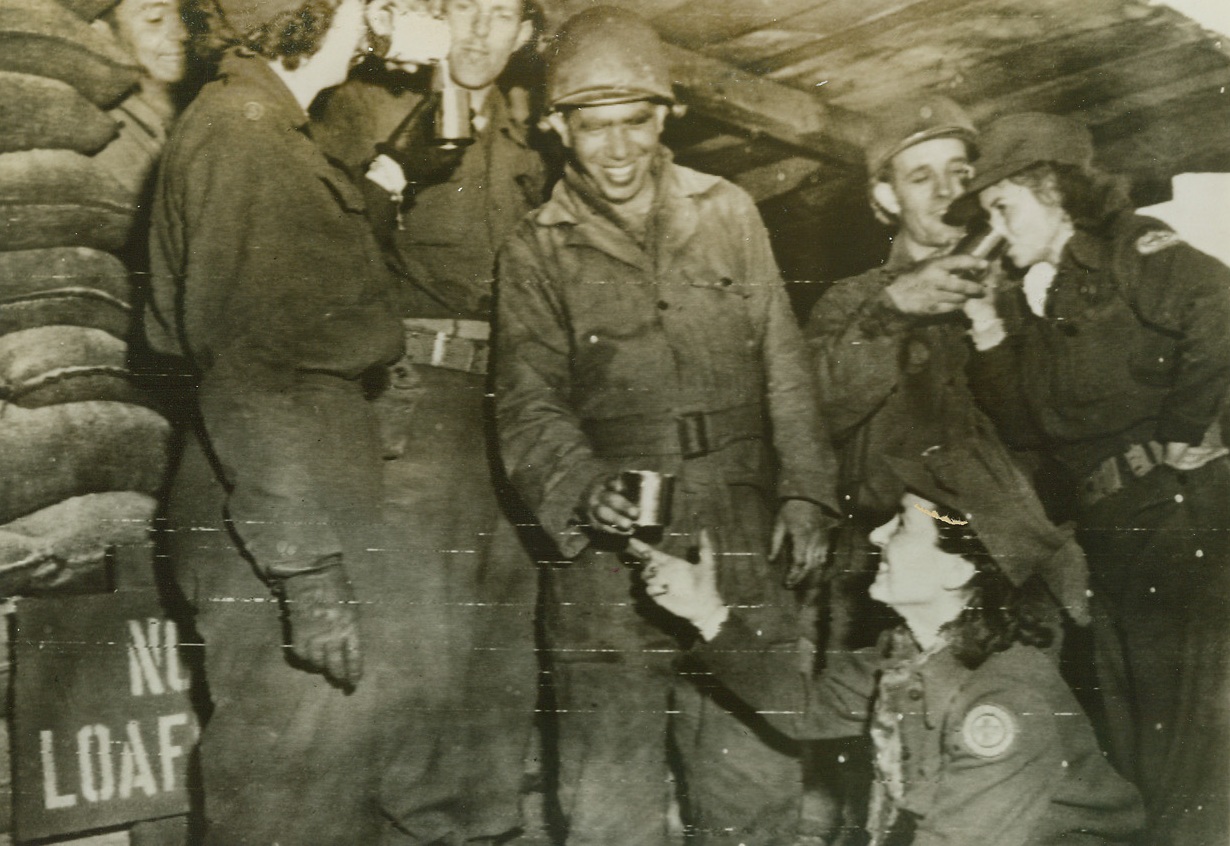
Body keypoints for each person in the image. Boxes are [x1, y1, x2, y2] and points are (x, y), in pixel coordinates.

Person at [494, 8, 839, 844]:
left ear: (664, 118)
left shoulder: (729, 212)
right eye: (594, 128)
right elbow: (526, 399)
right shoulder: (535, 250)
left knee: (754, 783)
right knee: (610, 803)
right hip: (613, 556)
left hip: (739, 528)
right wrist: (582, 488)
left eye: (635, 124)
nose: (616, 150)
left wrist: (807, 493)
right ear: (557, 128)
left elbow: (781, 359)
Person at [142, 2, 453, 843]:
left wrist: (386, 180)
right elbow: (249, 377)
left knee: (324, 781)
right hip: (275, 504)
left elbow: (304, 285)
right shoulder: (245, 138)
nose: (374, 15)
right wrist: (308, 577)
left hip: (297, 488)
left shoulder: (271, 129)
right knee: (289, 796)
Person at [947, 112, 1230, 846]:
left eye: (1003, 208)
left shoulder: (1130, 251)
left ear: (1052, 190)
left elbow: (1219, 306)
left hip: (1178, 521)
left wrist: (1179, 432)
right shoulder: (1042, 301)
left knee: (1191, 749)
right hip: (1111, 539)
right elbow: (1025, 426)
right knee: (1138, 741)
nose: (998, 231)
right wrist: (984, 322)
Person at [634, 441, 1145, 846]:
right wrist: (705, 612)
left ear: (957, 567)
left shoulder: (1006, 703)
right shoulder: (910, 653)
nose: (877, 536)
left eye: (900, 525)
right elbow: (807, 707)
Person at [311, 1, 548, 840]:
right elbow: (317, 251)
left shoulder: (529, 155)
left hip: (513, 409)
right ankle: (415, 830)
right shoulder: (365, 114)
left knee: (502, 642)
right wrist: (392, 174)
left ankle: (485, 826)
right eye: (462, 9)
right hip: (419, 396)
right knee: (419, 644)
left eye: (501, 15)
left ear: (525, 35)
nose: (480, 34)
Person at [803, 96, 1012, 839]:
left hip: (1001, 572)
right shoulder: (853, 301)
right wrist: (896, 310)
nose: (948, 189)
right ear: (885, 198)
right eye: (921, 176)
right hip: (881, 572)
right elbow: (813, 410)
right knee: (884, 784)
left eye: (960, 170)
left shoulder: (1014, 294)